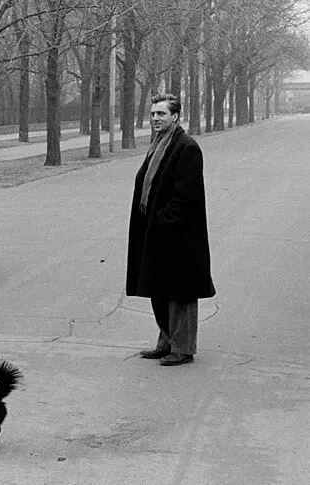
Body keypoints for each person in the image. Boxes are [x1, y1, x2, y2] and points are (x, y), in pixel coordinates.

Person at [126, 93, 216, 366]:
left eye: (161, 114)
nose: (155, 118)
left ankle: (183, 348)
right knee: (159, 288)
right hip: (155, 232)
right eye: (153, 114)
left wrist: (163, 221)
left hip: (178, 235)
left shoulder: (186, 147)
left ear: (175, 116)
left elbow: (186, 196)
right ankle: (166, 341)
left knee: (181, 293)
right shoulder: (158, 144)